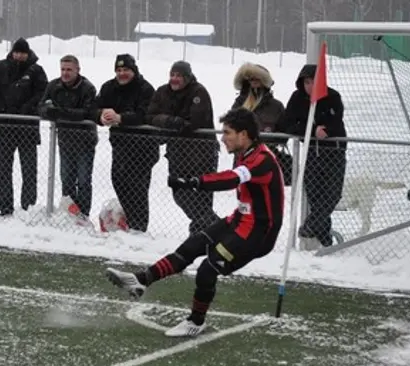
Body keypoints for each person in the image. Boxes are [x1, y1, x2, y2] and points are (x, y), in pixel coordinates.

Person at [106, 108, 285, 337]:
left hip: (259, 234)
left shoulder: (262, 160)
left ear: (244, 134)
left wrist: (194, 182)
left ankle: (195, 322)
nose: (222, 138)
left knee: (207, 269)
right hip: (240, 219)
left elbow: (230, 179)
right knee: (191, 247)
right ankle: (140, 280)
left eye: (227, 133)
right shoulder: (247, 153)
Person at [146, 60, 220, 235]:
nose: (175, 79)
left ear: (187, 77)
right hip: (177, 154)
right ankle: (215, 227)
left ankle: (205, 233)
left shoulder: (198, 92)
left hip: (202, 155)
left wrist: (173, 123)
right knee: (179, 194)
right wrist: (170, 121)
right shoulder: (162, 92)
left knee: (202, 197)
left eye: (179, 75)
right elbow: (149, 116)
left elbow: (194, 123)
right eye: (172, 75)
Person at [278, 64, 347, 247]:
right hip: (312, 152)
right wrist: (308, 130)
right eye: (306, 82)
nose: (309, 86)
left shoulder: (333, 97)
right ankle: (325, 241)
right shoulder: (297, 98)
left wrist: (326, 131)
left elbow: (335, 121)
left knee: (332, 194)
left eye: (313, 82)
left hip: (334, 151)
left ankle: (310, 226)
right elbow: (287, 123)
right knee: (315, 196)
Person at [93, 54, 157, 233]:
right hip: (120, 145)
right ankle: (129, 221)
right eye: (119, 70)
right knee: (118, 180)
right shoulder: (108, 88)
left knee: (138, 188)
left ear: (133, 71)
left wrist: (121, 118)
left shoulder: (145, 89)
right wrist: (101, 115)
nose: (122, 74)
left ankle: (139, 227)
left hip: (143, 147)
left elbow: (146, 115)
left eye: (126, 70)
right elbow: (93, 107)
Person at [0, 37, 48, 216]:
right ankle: (5, 209)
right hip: (5, 126)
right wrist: (1, 107)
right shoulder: (0, 67)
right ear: (12, 52)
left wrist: (28, 107)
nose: (20, 56)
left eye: (23, 53)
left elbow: (42, 92)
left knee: (29, 170)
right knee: (4, 170)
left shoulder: (36, 71)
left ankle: (28, 209)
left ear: (28, 54)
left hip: (28, 128)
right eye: (17, 52)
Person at [38, 55, 97, 221]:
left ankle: (83, 216)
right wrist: (48, 111)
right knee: (67, 180)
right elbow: (41, 106)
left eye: (69, 69)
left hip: (85, 141)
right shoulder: (53, 86)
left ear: (78, 70)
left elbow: (87, 113)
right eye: (63, 69)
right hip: (65, 141)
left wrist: (60, 112)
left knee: (84, 181)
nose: (65, 73)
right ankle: (69, 215)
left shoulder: (87, 88)